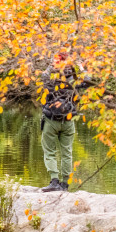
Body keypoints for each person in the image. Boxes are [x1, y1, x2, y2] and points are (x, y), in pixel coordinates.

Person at [39, 64, 82, 192]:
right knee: (67, 153)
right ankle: (65, 185)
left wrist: (50, 64)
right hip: (68, 121)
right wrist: (78, 65)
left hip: (51, 120)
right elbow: (88, 79)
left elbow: (43, 75)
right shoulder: (74, 82)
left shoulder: (51, 81)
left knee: (49, 151)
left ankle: (54, 181)